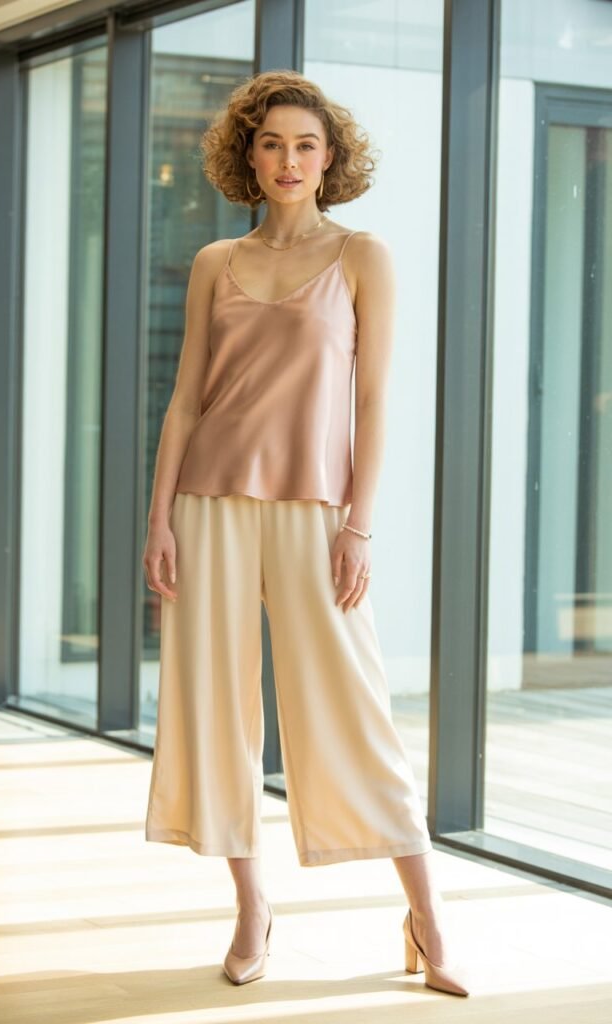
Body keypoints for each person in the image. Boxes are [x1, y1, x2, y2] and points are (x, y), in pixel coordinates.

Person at [143, 69, 469, 997]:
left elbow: (374, 400)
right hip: (208, 503)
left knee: (352, 708)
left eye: (307, 145)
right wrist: (158, 516)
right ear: (248, 154)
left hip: (318, 512)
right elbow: (183, 403)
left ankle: (427, 915)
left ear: (332, 159)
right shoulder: (215, 261)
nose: (290, 160)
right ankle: (252, 909)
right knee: (214, 710)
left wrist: (360, 526)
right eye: (273, 143)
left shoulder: (362, 255)